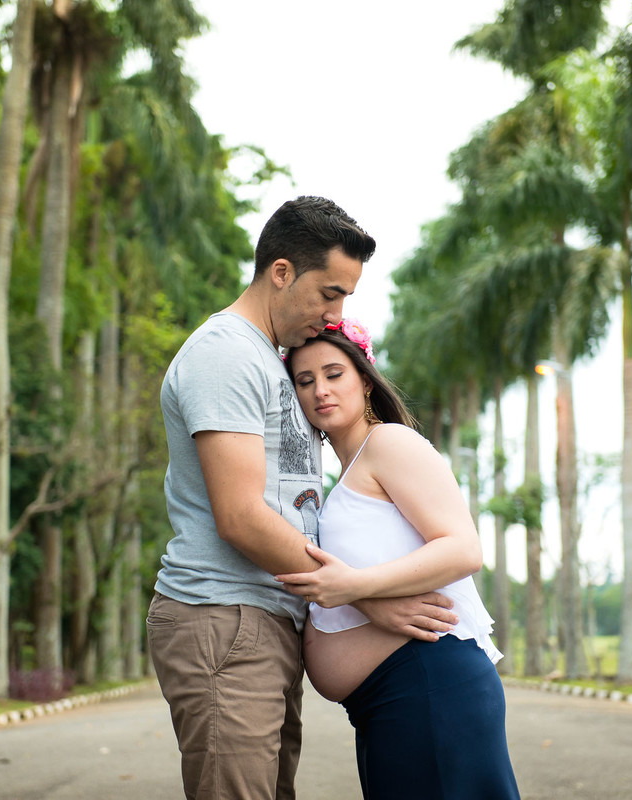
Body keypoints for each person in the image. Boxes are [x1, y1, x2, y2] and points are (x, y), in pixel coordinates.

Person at [147, 196, 460, 800]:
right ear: (282, 272)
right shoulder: (226, 355)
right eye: (330, 293)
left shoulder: (267, 361)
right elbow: (241, 518)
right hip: (223, 614)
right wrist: (361, 598)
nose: (335, 312)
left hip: (260, 619)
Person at [278, 320, 522, 800]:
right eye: (304, 382)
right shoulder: (350, 469)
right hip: (391, 701)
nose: (320, 391)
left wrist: (355, 586)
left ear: (365, 380)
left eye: (333, 374)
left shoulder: (389, 443)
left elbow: (463, 547)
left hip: (430, 686)